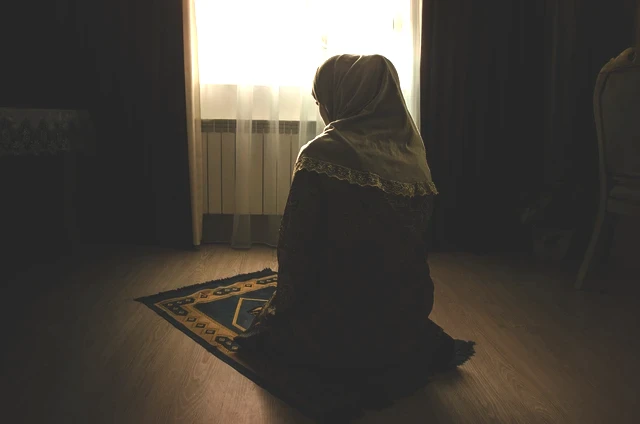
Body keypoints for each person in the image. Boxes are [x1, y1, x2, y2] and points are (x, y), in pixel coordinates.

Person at [235, 54, 473, 384]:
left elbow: (296, 246)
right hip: (402, 309)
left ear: (344, 97)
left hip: (339, 314)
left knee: (273, 335)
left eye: (320, 101)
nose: (321, 110)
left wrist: (281, 308)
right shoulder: (412, 152)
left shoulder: (321, 153)